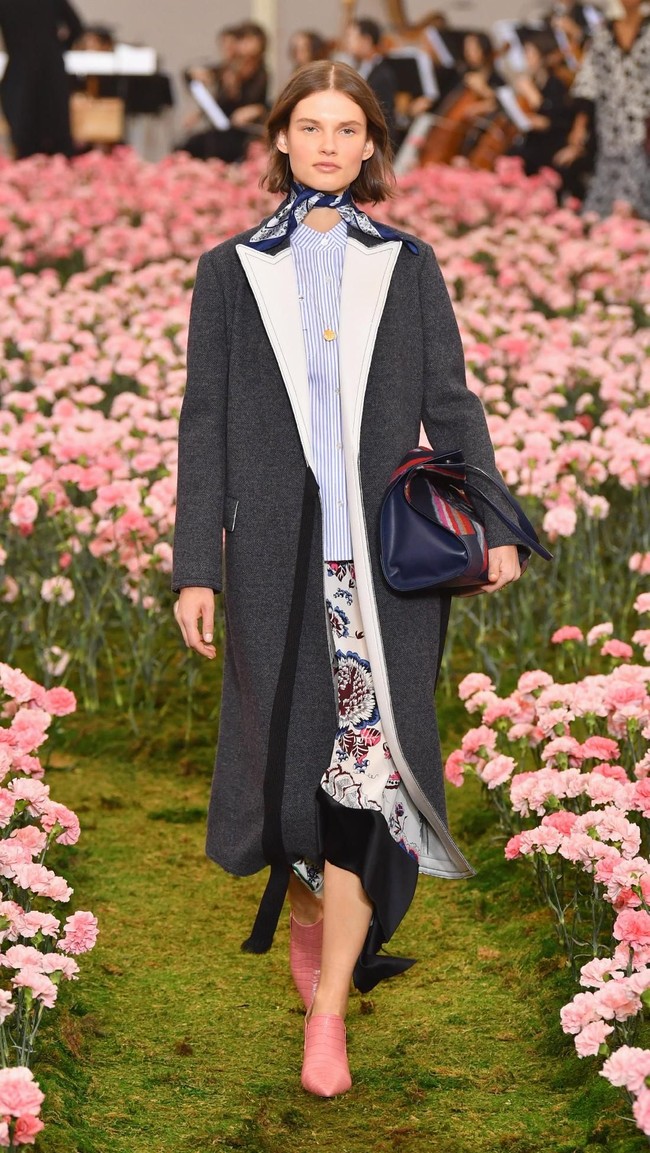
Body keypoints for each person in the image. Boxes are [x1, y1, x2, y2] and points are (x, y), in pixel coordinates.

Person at [172, 60, 522, 1098]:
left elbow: (449, 406)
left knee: (369, 775)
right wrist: (198, 564)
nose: (327, 144)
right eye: (308, 126)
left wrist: (492, 520)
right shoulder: (227, 271)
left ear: (371, 147)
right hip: (274, 558)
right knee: (288, 772)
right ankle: (320, 912)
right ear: (279, 140)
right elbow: (204, 426)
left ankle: (327, 1014)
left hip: (384, 569)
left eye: (347, 129)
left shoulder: (406, 266)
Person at [555, 0, 650, 217]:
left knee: (638, 186)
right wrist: (580, 126)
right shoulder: (604, 32)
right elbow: (588, 81)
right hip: (610, 124)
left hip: (644, 125)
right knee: (606, 190)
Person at [0, 0, 83, 158]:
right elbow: (77, 27)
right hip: (51, 72)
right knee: (57, 148)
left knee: (25, 146)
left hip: (20, 73)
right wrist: (59, 47)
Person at [179, 21, 268, 163]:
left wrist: (254, 108)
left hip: (244, 132)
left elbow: (262, 102)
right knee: (187, 146)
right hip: (224, 128)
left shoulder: (261, 73)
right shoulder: (228, 69)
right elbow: (192, 76)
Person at [510, 28, 573, 176]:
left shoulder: (556, 83)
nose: (526, 57)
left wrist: (531, 94)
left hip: (551, 143)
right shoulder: (535, 81)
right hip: (534, 140)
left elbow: (553, 119)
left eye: (529, 53)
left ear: (542, 55)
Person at [344, 18, 398, 147]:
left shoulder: (382, 74)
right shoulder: (363, 68)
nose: (347, 43)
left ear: (366, 40)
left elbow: (384, 116)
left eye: (351, 37)